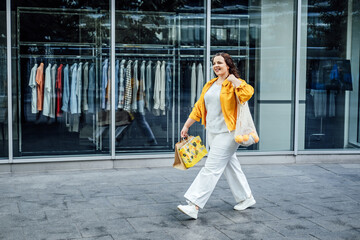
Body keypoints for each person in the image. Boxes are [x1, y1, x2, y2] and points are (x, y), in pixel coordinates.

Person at [177, 52, 256, 219]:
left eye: (220, 62)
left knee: (211, 168)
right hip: (212, 132)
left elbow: (247, 93)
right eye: (214, 63)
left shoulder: (234, 83)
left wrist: (234, 79)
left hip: (229, 133)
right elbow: (199, 107)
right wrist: (186, 125)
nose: (216, 65)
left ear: (228, 65)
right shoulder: (210, 85)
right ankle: (246, 198)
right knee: (230, 166)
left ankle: (194, 205)